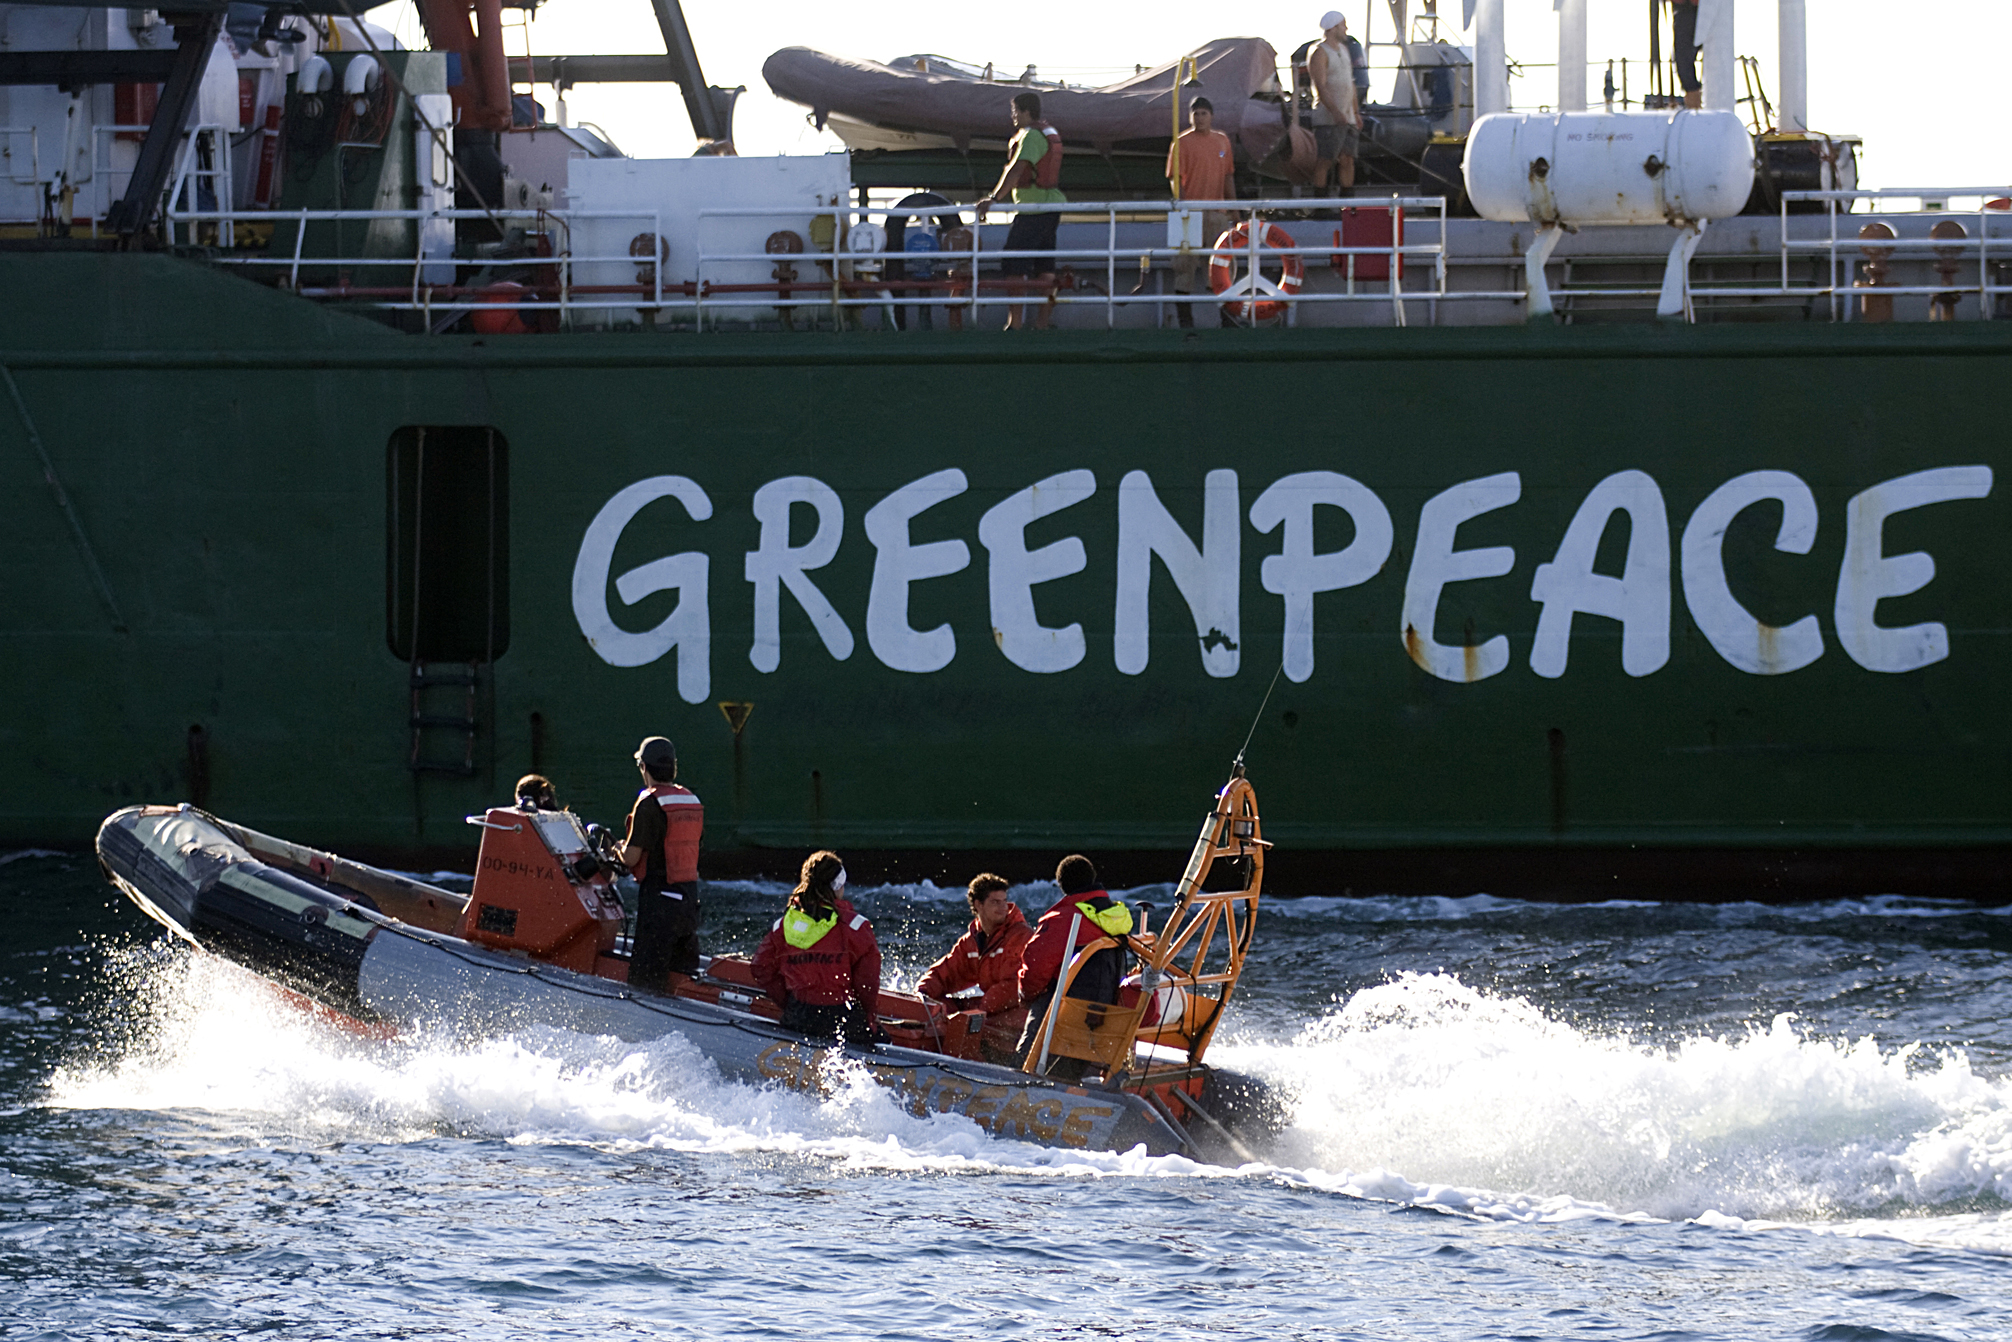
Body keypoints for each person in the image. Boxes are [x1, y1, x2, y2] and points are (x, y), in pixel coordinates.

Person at [1014, 855, 1133, 1079]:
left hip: (1066, 1013)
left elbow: (1035, 966)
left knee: (1038, 1011)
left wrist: (1026, 995)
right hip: (1104, 1010)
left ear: (1062, 886)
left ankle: (1022, 1076)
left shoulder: (1063, 918)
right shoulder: (1116, 916)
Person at [752, 850, 883, 1043]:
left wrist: (789, 1003)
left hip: (799, 1015)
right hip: (841, 1017)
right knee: (882, 1041)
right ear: (838, 885)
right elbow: (867, 983)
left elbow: (760, 967)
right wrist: (870, 1016)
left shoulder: (784, 925)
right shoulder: (855, 927)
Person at [917, 873, 1035, 1065]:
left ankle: (978, 1065)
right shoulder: (971, 941)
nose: (1003, 907)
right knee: (944, 1008)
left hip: (1019, 1014)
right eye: (995, 902)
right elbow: (946, 971)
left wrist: (977, 1013)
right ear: (978, 905)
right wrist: (923, 994)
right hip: (992, 1010)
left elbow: (1014, 985)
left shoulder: (1020, 936)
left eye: (1004, 901)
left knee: (969, 1021)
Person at [618, 736, 704, 992]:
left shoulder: (649, 803)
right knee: (680, 973)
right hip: (688, 899)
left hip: (659, 902)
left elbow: (631, 858)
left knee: (646, 979)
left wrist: (617, 851)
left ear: (644, 767)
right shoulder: (690, 800)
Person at [975, 91, 1066, 330]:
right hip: (1050, 207)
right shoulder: (1046, 132)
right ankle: (1042, 324)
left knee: (1014, 263)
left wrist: (993, 198)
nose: (1013, 116)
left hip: (1033, 209)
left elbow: (1016, 169)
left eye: (1015, 111)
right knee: (1044, 266)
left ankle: (1014, 323)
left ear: (1026, 111)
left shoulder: (1031, 136)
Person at [1164, 96, 1238, 330]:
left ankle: (1227, 319)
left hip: (1217, 212)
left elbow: (1228, 176)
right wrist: (1183, 207)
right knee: (1184, 267)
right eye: (1196, 113)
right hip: (1190, 212)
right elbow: (1175, 180)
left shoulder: (1222, 141)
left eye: (1204, 113)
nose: (1200, 118)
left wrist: (1234, 209)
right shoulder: (1181, 143)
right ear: (1190, 116)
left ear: (1211, 116)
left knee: (1221, 268)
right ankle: (1186, 323)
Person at [1308, 11, 1361, 192]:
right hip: (1328, 117)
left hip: (1347, 116)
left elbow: (1350, 83)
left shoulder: (1344, 51)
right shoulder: (1320, 53)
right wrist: (1335, 112)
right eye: (1342, 25)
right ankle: (1320, 203)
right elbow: (1321, 86)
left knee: (1348, 158)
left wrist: (1355, 112)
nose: (1346, 29)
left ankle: (1348, 203)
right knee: (1326, 159)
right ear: (1333, 28)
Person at [1672, 0, 1702, 110]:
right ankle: (1694, 104)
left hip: (1691, 11)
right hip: (1686, 10)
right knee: (1684, 63)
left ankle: (1695, 104)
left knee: (1684, 61)